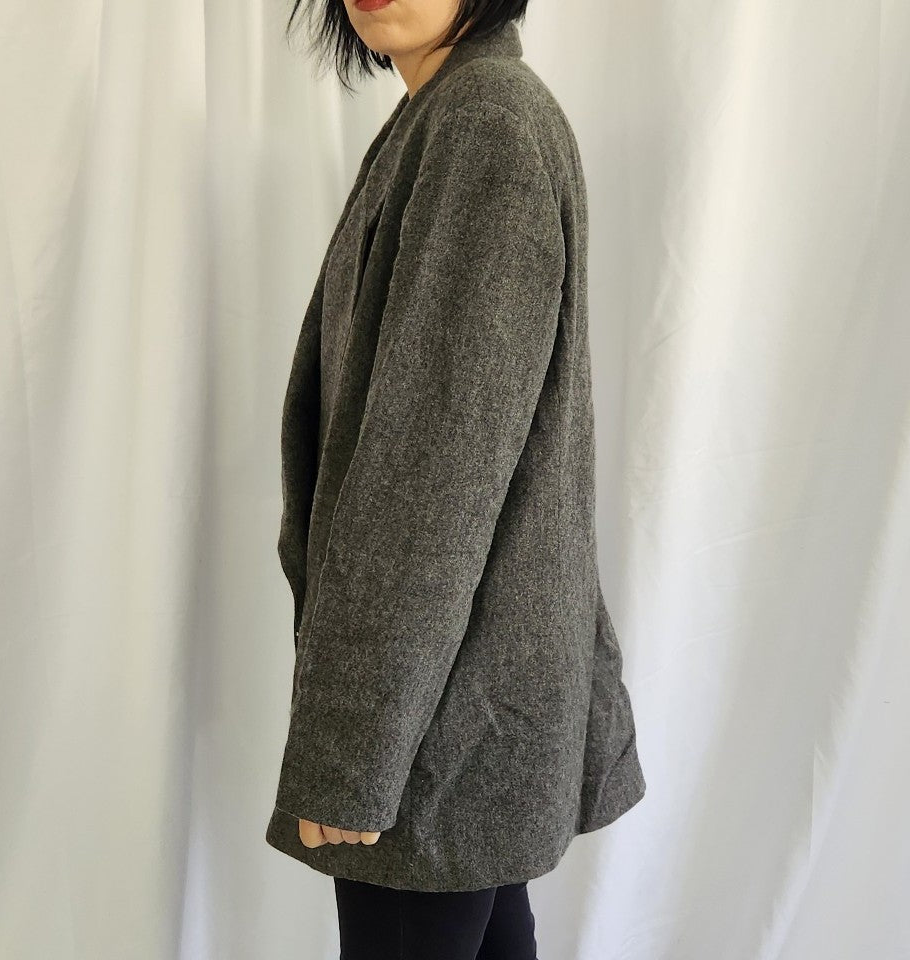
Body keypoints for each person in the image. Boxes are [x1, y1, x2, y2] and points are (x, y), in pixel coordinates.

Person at [266, 1, 648, 956]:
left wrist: (356, 747)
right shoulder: (450, 113)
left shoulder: (482, 124)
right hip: (466, 695)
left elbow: (431, 476)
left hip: (440, 719)